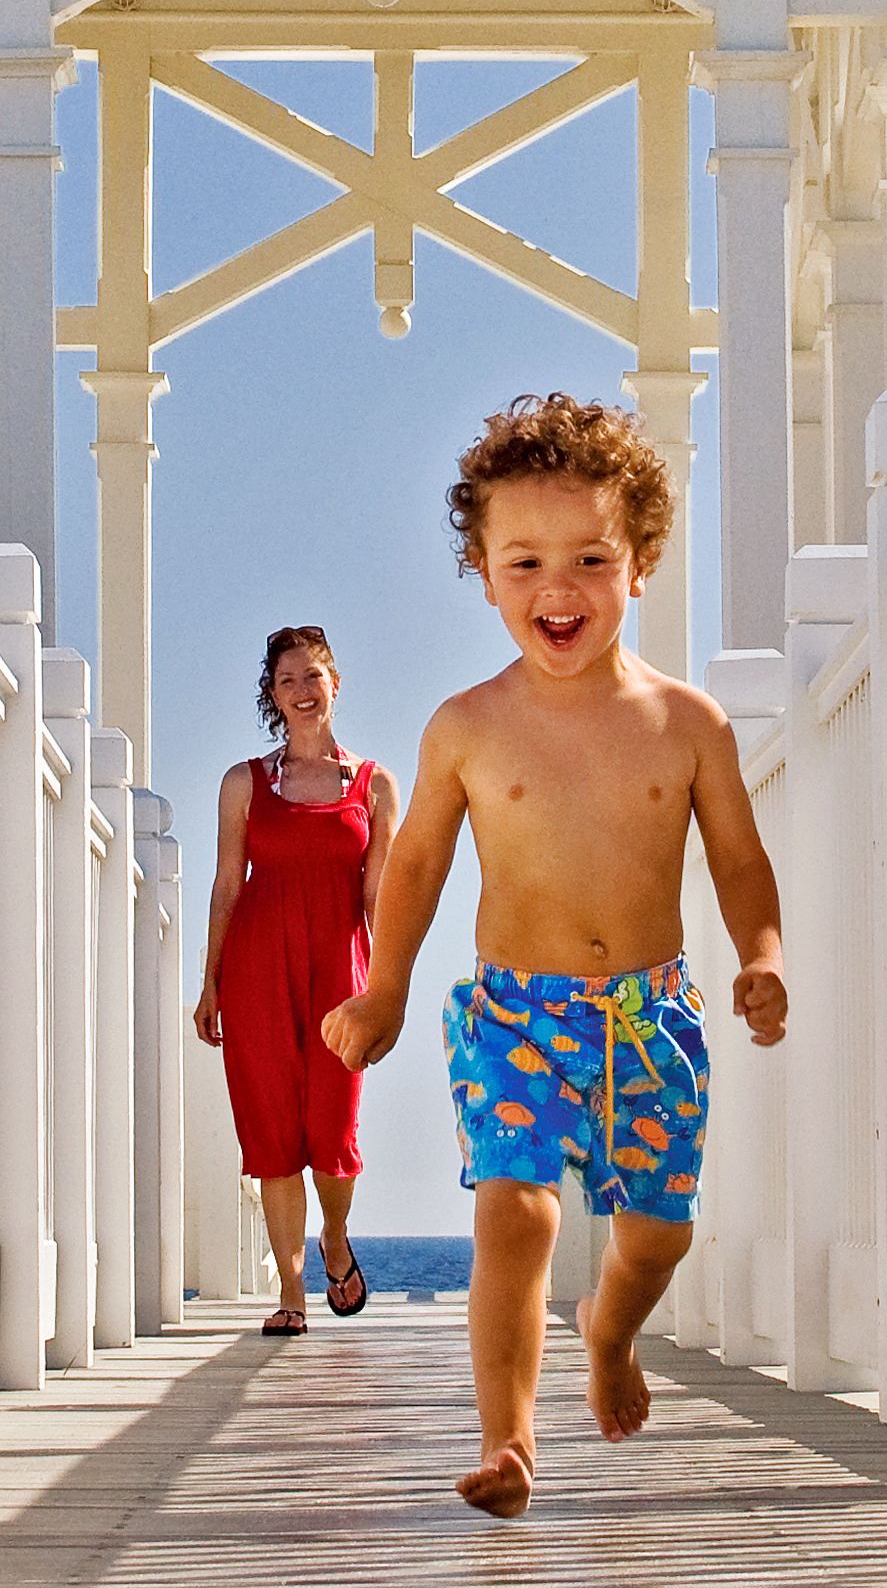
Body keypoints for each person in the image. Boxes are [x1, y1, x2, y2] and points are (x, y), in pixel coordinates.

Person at [321, 393, 789, 1519]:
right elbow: (419, 870)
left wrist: (760, 953)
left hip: (652, 1015)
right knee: (515, 1208)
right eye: (523, 562)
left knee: (657, 1235)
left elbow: (736, 860)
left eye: (589, 557)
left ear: (642, 564)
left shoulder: (688, 724)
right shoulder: (468, 726)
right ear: (483, 573)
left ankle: (611, 1333)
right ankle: (508, 1440)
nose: (557, 589)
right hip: (515, 1014)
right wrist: (382, 990)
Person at [194, 625, 400, 1336]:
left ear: (335, 683)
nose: (303, 692)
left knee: (333, 1132)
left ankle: (334, 1239)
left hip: (340, 972)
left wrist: (386, 989)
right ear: (272, 697)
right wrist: (211, 980)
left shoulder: (375, 786)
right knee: (275, 1134)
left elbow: (379, 897)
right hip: (257, 969)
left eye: (313, 676)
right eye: (287, 682)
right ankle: (291, 1292)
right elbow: (226, 886)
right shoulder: (244, 783)